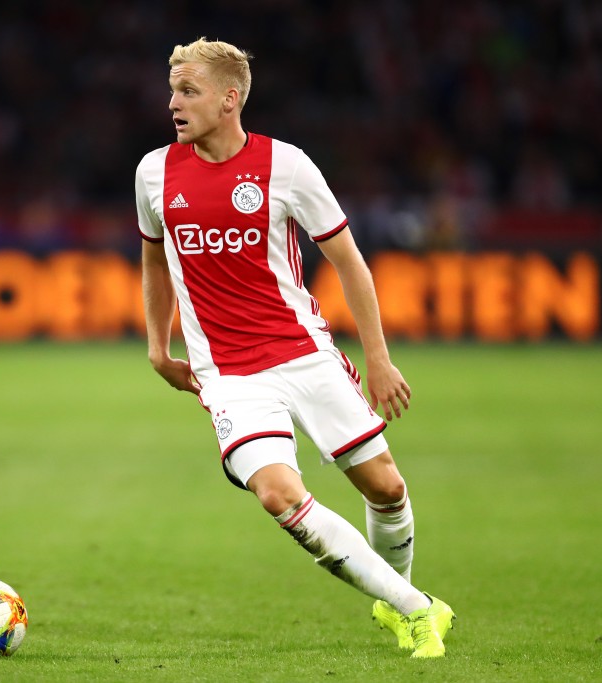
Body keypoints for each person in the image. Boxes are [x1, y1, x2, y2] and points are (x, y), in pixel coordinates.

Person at [135, 38, 456, 658]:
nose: (173, 103)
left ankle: (395, 603)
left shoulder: (286, 167)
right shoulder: (154, 173)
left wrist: (379, 359)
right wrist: (157, 345)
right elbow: (154, 260)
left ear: (229, 100)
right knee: (278, 494)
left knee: (387, 489)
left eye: (188, 92)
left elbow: (349, 262)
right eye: (172, 91)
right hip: (229, 375)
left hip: (303, 353)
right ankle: (417, 609)